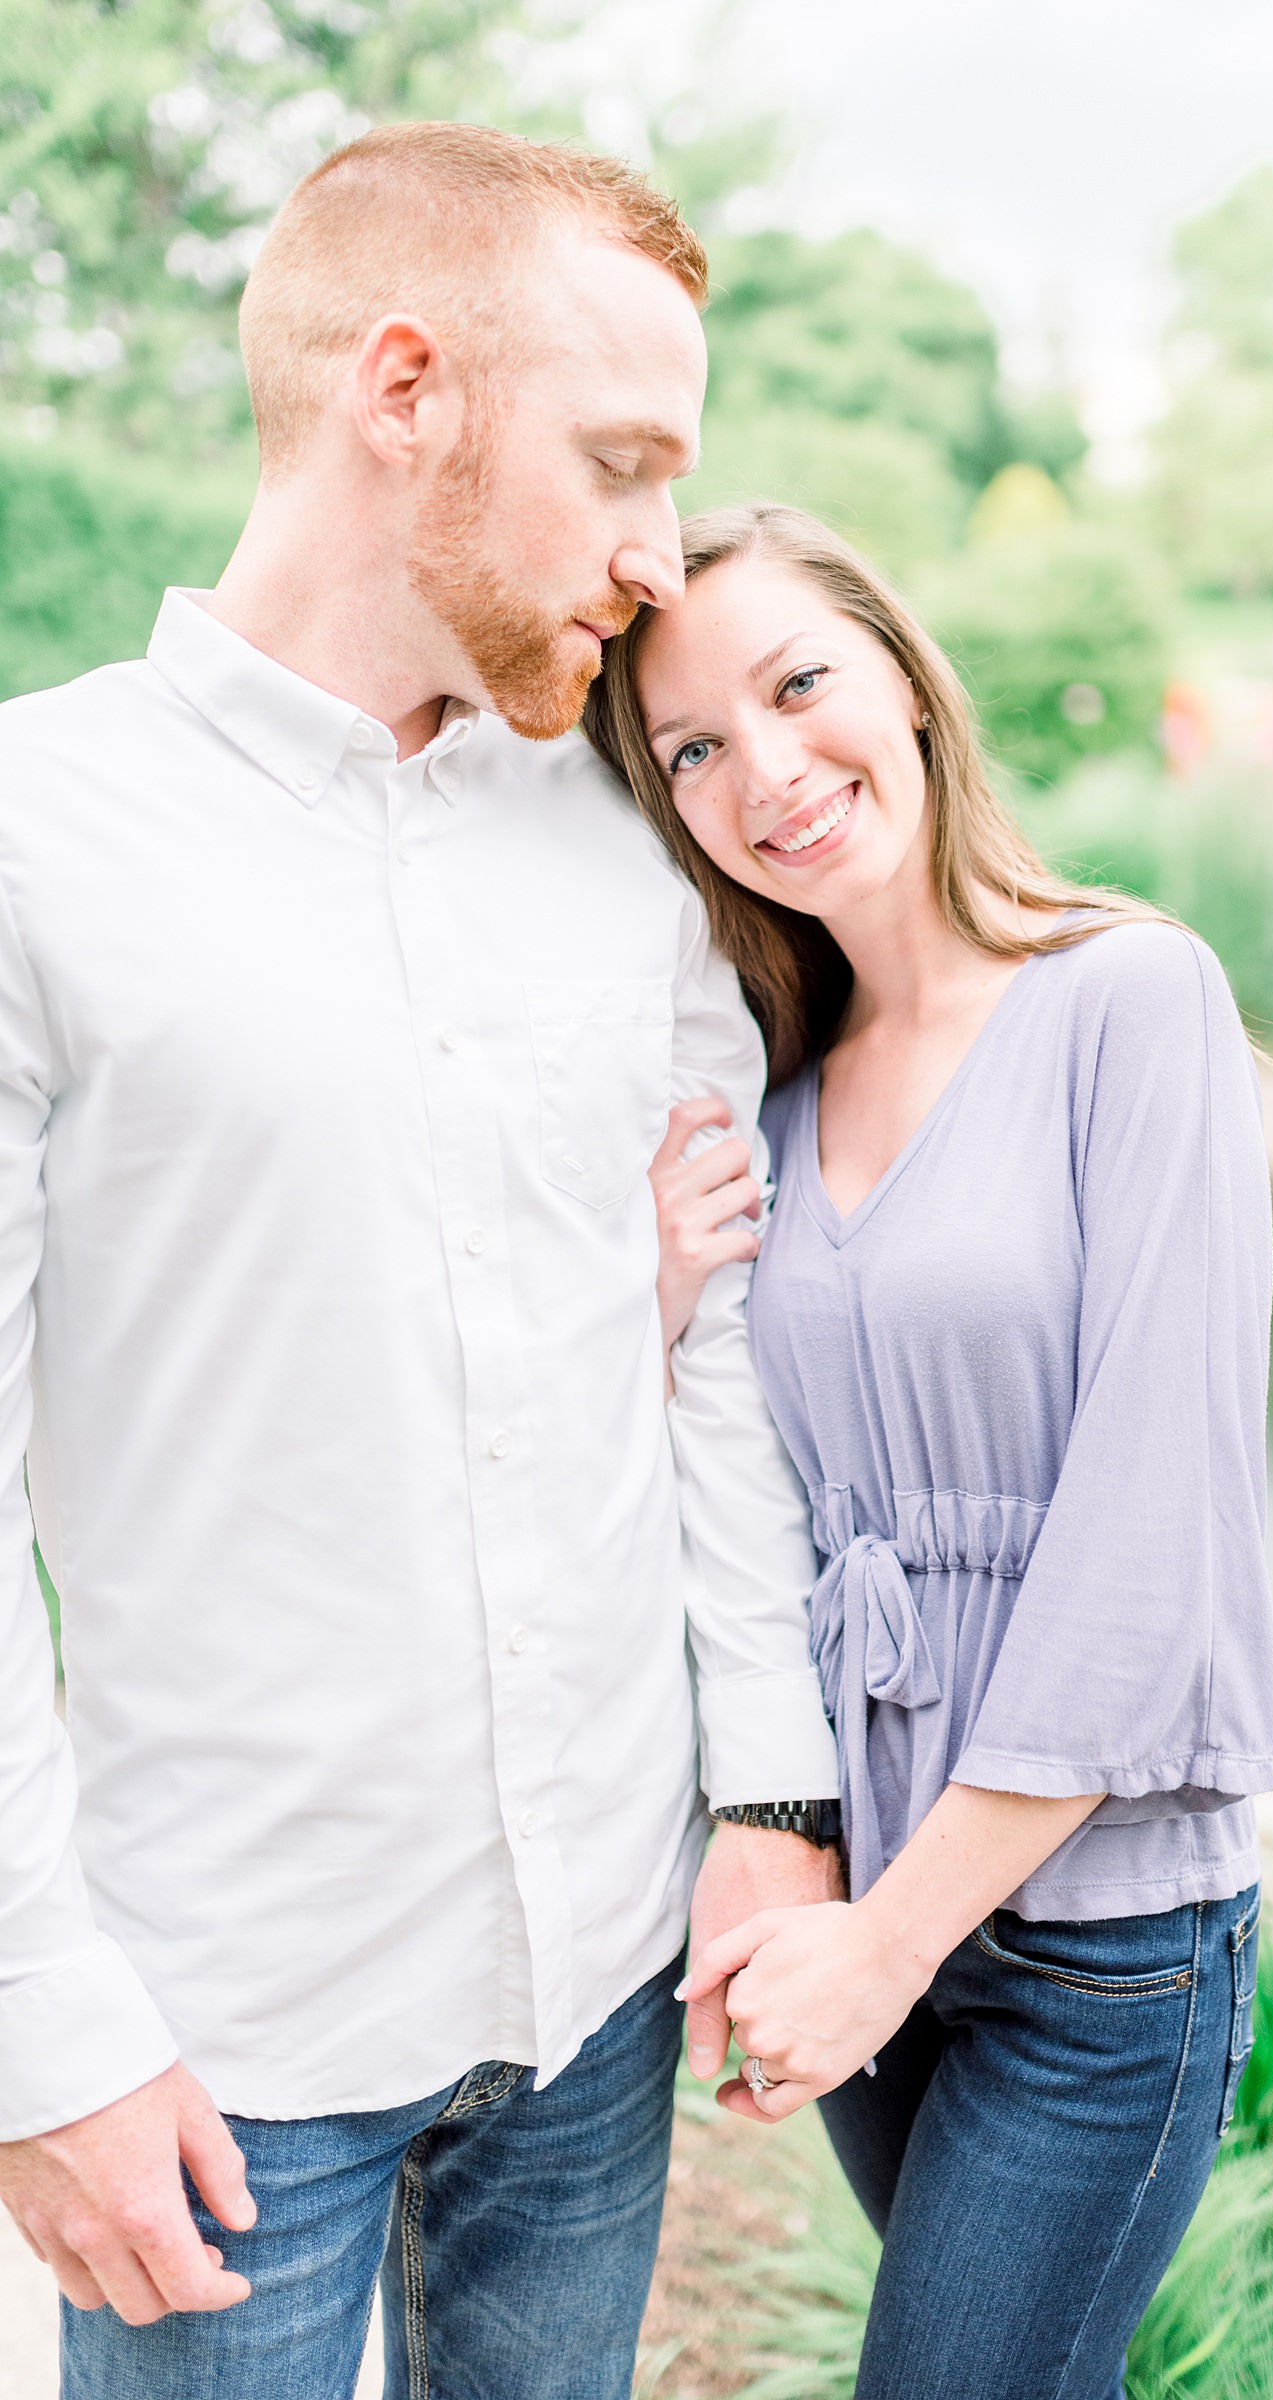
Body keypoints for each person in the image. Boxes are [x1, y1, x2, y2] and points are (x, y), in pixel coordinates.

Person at [0, 132, 845, 2400]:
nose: (661, 553)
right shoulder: (30, 838)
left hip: (594, 2005)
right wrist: (36, 2033)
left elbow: (717, 1352)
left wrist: (768, 1809)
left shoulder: (620, 843)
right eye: (623, 464)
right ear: (407, 392)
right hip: (219, 2038)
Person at [587, 502, 1273, 2400]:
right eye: (694, 753)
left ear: (899, 671)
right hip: (869, 1912)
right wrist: (655, 1309)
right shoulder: (779, 1084)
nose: (769, 776)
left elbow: (1151, 1542)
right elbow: (759, 1502)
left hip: (1088, 1938)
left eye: (797, 684)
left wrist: (885, 1947)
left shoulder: (1127, 1001)